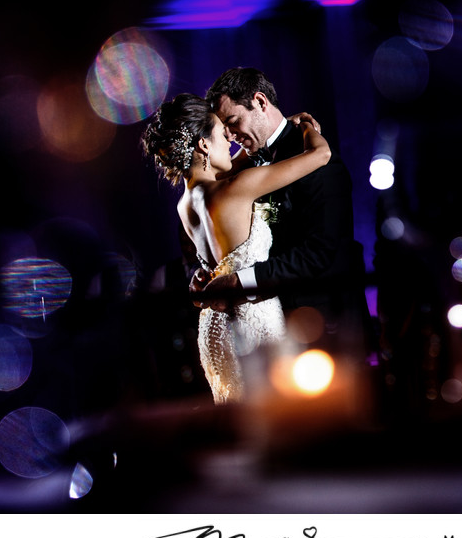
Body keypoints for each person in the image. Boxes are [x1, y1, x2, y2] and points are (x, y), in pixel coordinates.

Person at [141, 93, 330, 404]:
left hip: (213, 331)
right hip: (253, 322)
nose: (229, 140)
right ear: (203, 144)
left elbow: (228, 169)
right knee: (276, 417)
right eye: (220, 132)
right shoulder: (236, 189)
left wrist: (278, 130)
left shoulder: (185, 204)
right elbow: (320, 155)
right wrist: (306, 128)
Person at [195, 67, 371, 365]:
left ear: (260, 102)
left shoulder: (315, 158)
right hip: (274, 330)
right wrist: (217, 271)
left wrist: (241, 282)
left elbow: (318, 253)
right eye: (223, 127)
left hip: (326, 325)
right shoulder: (247, 166)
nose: (230, 134)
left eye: (233, 121)